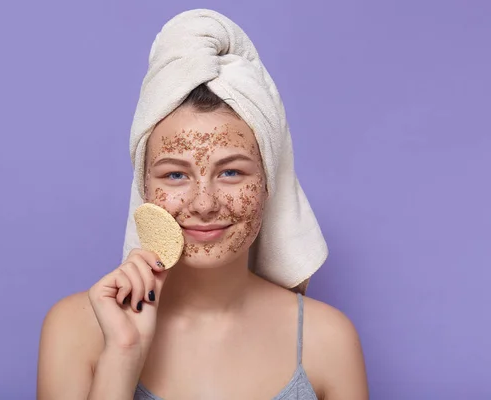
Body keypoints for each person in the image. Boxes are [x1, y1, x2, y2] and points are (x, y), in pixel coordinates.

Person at [37, 10, 368, 400]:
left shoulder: (328, 340)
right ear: (143, 187)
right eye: (175, 175)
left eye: (231, 173)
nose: (204, 203)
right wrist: (122, 355)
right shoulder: (75, 329)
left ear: (268, 184)